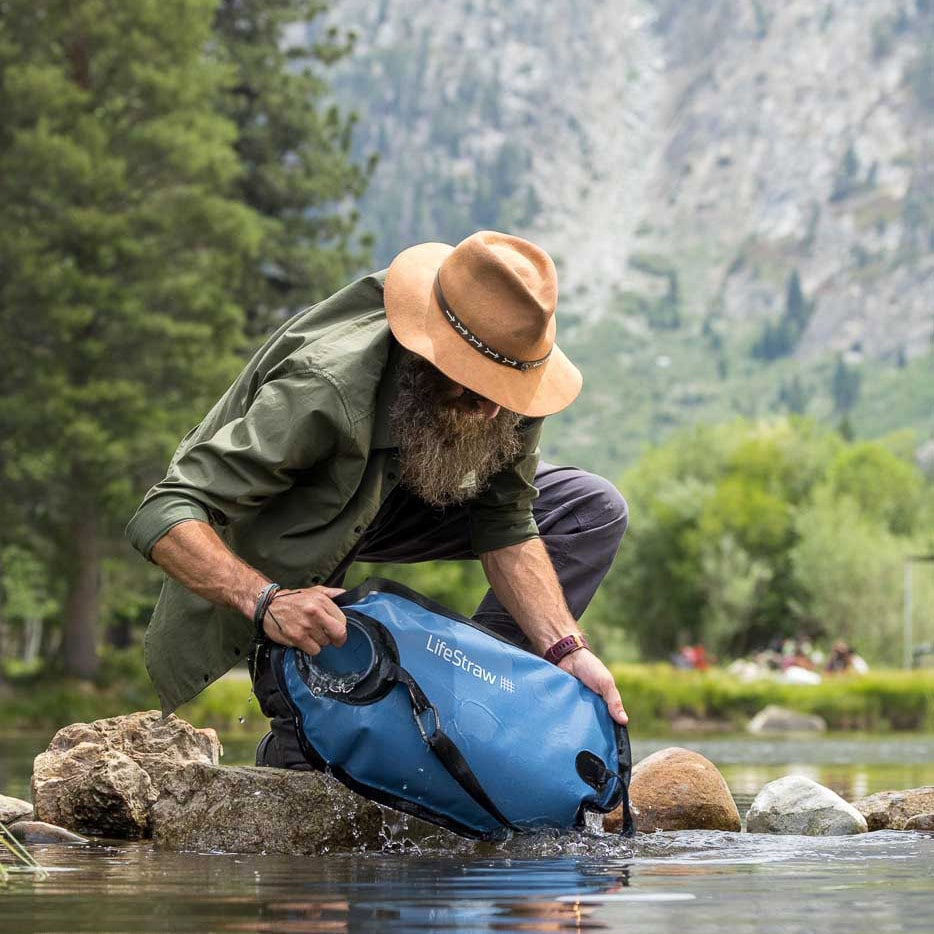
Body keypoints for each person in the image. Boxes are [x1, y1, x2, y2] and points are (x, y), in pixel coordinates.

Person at [127, 230, 630, 770]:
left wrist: (565, 650)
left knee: (591, 508)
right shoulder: (326, 386)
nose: (492, 412)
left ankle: (463, 705)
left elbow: (505, 521)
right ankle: (303, 741)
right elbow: (164, 510)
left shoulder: (510, 374)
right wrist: (268, 600)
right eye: (477, 388)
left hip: (398, 491)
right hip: (290, 518)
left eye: (505, 391)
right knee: (315, 754)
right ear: (428, 352)